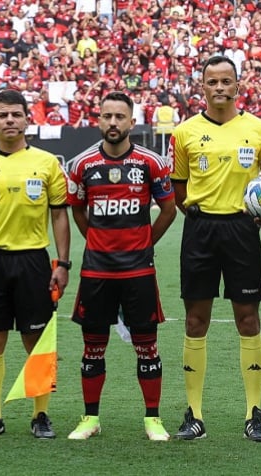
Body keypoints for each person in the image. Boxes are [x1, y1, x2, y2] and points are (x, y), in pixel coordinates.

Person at [169, 55, 261, 441]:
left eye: (226, 81)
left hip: (242, 228)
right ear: (202, 87)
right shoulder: (184, 132)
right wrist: (196, 212)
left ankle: (254, 414)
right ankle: (195, 415)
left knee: (247, 320)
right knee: (195, 321)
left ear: (238, 85)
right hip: (200, 229)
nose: (219, 87)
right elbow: (179, 187)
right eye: (212, 81)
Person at [64, 92, 177, 441]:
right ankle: (90, 418)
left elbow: (169, 210)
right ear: (98, 120)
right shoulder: (81, 165)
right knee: (92, 345)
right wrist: (96, 240)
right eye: (106, 116)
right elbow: (77, 210)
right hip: (97, 270)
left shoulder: (151, 163)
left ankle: (153, 419)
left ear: (131, 122)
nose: (113, 122)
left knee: (147, 344)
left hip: (138, 270)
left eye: (119, 117)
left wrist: (143, 244)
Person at [0, 89, 71, 439]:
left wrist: (63, 262)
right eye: (3, 115)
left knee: (36, 340)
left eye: (16, 114)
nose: (10, 120)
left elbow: (59, 216)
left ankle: (40, 416)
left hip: (33, 261)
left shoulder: (47, 162)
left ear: (27, 119)